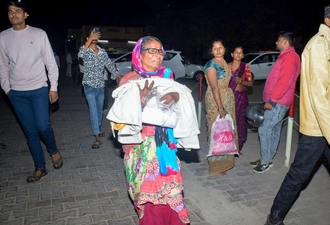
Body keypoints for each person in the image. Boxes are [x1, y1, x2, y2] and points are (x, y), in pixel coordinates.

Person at [264, 2, 330, 225]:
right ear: (329, 21)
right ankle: (273, 220)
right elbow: (319, 95)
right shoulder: (320, 47)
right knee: (299, 176)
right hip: (319, 130)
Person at [114, 36, 195, 225]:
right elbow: (118, 122)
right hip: (141, 147)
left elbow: (183, 102)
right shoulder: (129, 80)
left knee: (171, 191)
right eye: (151, 50)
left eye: (160, 51)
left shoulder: (168, 76)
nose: (157, 55)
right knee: (149, 196)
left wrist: (176, 95)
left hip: (165, 144)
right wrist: (137, 102)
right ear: (139, 54)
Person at [0, 1, 63, 183]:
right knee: (30, 132)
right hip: (17, 93)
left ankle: (53, 150)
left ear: (25, 14)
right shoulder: (3, 37)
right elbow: (1, 65)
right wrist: (7, 89)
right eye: (10, 12)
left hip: (39, 88)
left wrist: (53, 87)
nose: (14, 15)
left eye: (18, 11)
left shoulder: (39, 34)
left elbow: (50, 62)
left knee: (43, 126)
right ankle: (40, 167)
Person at [249, 31, 301, 173]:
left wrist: (272, 101)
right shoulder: (286, 56)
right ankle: (268, 158)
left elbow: (284, 81)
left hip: (278, 102)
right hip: (279, 101)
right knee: (274, 129)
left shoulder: (290, 57)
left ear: (285, 42)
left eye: (278, 40)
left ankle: (265, 162)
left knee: (264, 129)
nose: (276, 42)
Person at [78, 28, 120, 149]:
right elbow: (80, 56)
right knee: (93, 109)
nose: (95, 35)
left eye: (96, 34)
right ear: (88, 38)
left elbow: (109, 65)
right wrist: (89, 40)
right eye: (92, 34)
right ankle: (96, 136)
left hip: (100, 86)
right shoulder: (84, 50)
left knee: (99, 110)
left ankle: (98, 127)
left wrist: (116, 75)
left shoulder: (102, 52)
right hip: (89, 86)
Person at [204, 38, 238, 176]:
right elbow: (214, 87)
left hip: (227, 97)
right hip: (216, 99)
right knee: (216, 130)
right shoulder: (211, 65)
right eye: (215, 48)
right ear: (211, 51)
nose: (218, 50)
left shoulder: (224, 63)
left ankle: (226, 161)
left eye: (220, 47)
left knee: (227, 130)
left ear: (225, 49)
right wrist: (220, 107)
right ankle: (216, 165)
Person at [227, 45, 253, 153]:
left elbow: (250, 83)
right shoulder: (227, 67)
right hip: (229, 97)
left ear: (242, 55)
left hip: (241, 98)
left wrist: (242, 82)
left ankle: (238, 146)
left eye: (240, 52)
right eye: (236, 52)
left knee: (240, 121)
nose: (238, 54)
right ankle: (228, 145)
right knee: (229, 121)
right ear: (232, 54)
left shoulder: (245, 67)